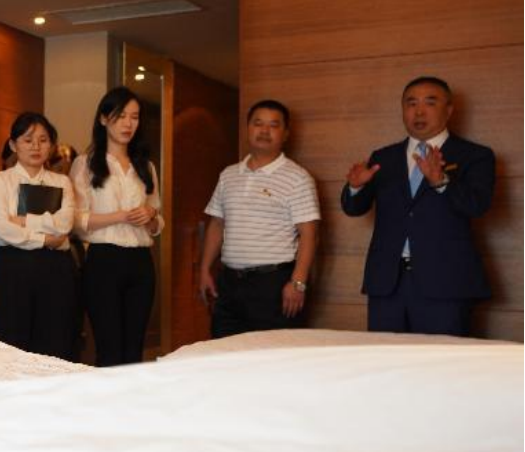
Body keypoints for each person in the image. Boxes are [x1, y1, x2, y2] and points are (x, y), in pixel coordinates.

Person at [341, 76, 494, 336]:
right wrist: (355, 188)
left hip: (446, 282)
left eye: (430, 103)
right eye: (411, 103)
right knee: (386, 357)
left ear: (449, 110)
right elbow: (354, 208)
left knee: (442, 359)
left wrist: (441, 181)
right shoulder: (383, 157)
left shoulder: (475, 155)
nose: (419, 111)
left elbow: (477, 205)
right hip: (388, 282)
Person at [199, 99, 319, 338]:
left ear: (285, 134)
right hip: (229, 283)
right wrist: (204, 270)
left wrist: (298, 283)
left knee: (273, 354)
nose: (264, 131)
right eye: (258, 123)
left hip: (273, 285)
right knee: (224, 350)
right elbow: (217, 224)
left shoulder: (298, 178)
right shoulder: (228, 175)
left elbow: (310, 235)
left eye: (273, 125)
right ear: (247, 128)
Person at [70, 87, 163, 365]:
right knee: (109, 349)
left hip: (141, 262)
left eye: (134, 117)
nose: (128, 124)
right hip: (104, 261)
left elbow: (157, 220)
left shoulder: (145, 166)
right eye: (121, 116)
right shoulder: (85, 164)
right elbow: (76, 221)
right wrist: (119, 216)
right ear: (103, 118)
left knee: (135, 351)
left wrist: (150, 217)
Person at [0, 112, 77, 360]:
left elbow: (65, 223)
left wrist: (24, 220)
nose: (36, 146)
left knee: (55, 342)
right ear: (13, 145)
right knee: (12, 343)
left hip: (56, 268)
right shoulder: (0, 180)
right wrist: (46, 238)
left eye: (43, 140)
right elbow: (1, 228)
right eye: (27, 140)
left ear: (52, 145)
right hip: (13, 267)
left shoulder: (62, 182)